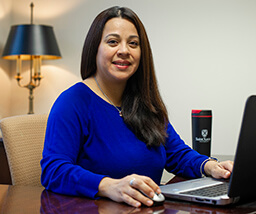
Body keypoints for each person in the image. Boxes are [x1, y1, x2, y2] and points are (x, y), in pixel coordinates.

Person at [41, 6, 233, 208]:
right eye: (113, 42)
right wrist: (109, 186)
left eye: (133, 44)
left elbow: (176, 153)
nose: (124, 51)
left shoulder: (144, 102)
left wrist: (212, 166)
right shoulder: (73, 102)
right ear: (94, 48)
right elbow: (54, 170)